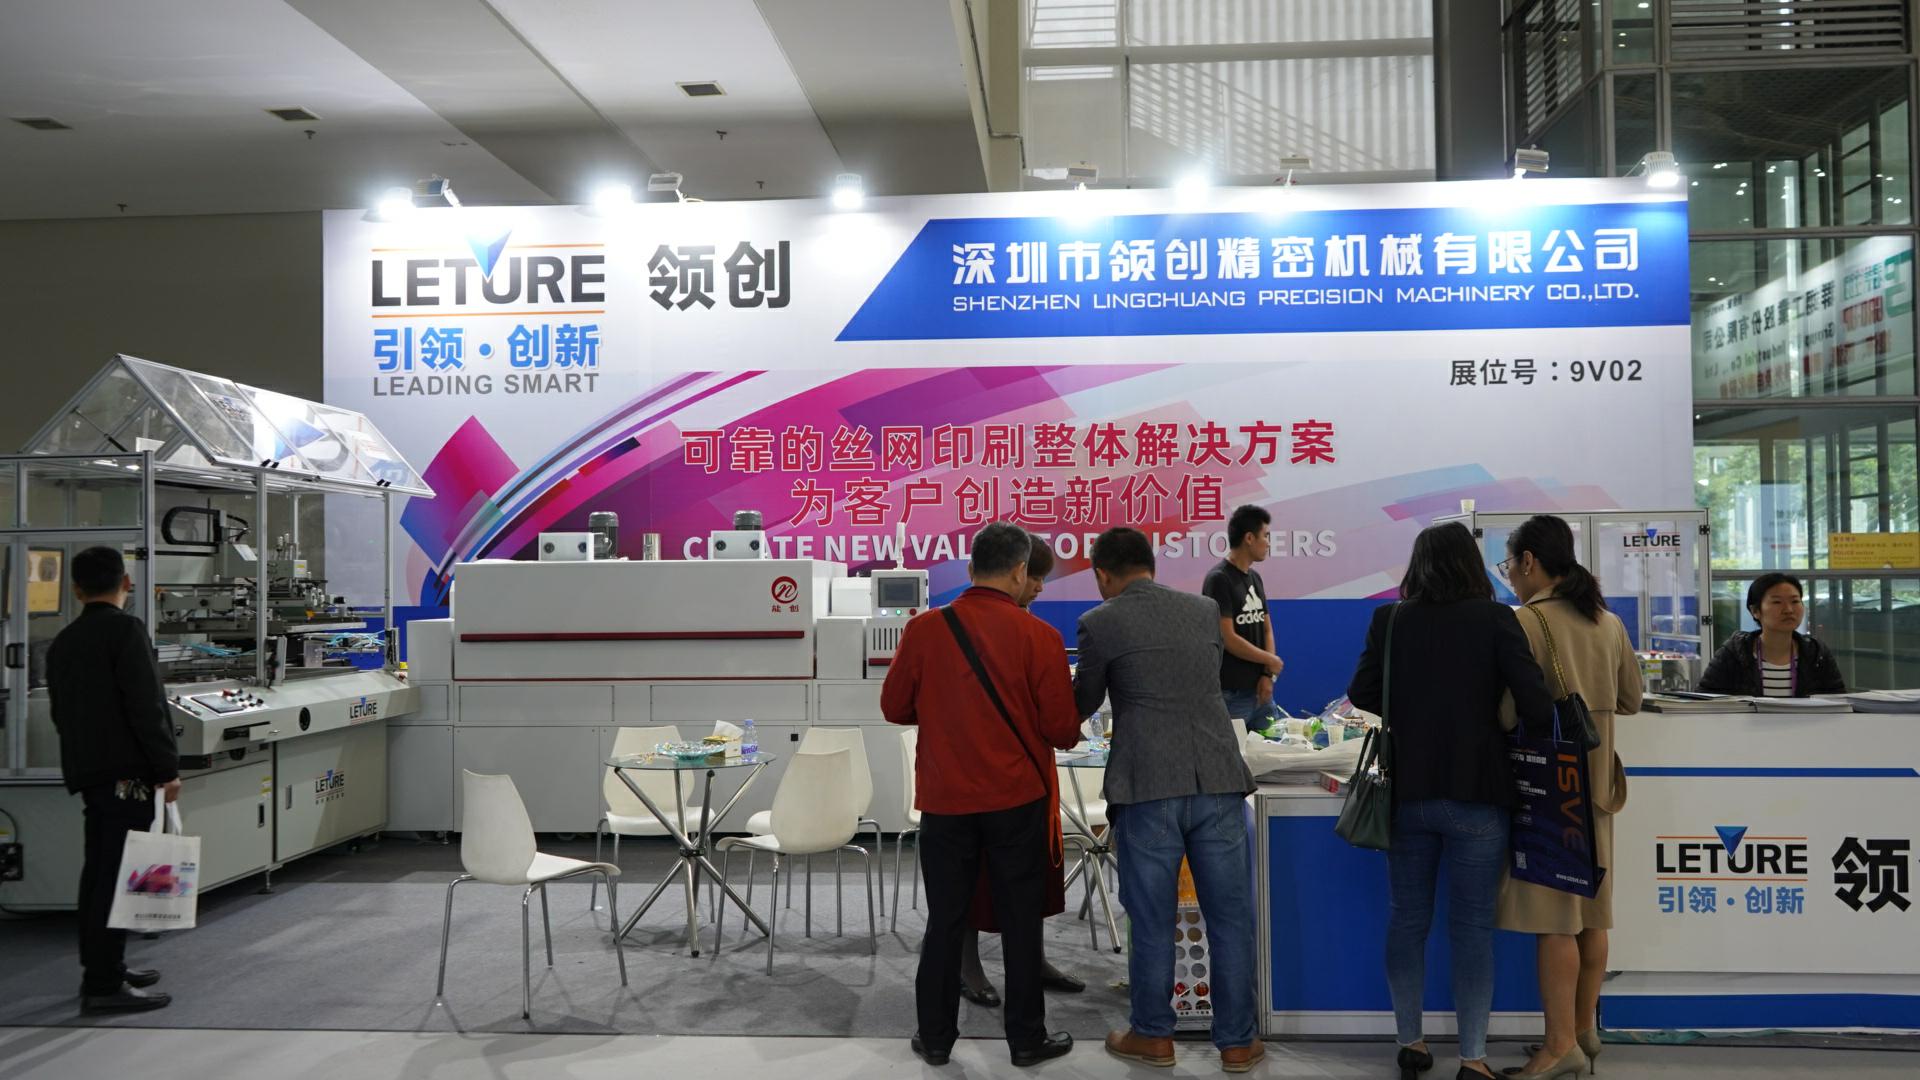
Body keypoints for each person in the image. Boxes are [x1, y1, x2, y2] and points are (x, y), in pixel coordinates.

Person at [1346, 522, 1555, 1080]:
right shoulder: (1497, 620)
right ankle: (1473, 1057)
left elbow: (1362, 692)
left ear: (1418, 565)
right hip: (1479, 793)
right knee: (1472, 929)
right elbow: (1536, 705)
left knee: (1407, 919)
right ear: (1471, 564)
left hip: (1407, 791)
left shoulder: (1390, 620)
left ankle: (1411, 1042)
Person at [881, 522, 1081, 1068]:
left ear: (971, 569)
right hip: (1017, 799)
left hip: (945, 801)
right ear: (1020, 572)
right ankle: (1026, 1040)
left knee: (946, 918)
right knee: (1020, 919)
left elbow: (894, 707)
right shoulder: (1040, 637)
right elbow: (1062, 730)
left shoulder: (924, 629)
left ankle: (935, 1038)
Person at [1074, 527, 1264, 1074]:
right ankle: (1237, 1043)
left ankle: (1153, 1036)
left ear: (1102, 574)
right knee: (1229, 917)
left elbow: (1083, 703)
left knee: (1152, 918)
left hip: (1147, 786)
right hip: (1218, 779)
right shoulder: (1204, 611)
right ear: (1151, 565)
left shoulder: (1099, 622)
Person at [1496, 515, 1644, 1080]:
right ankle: (1584, 1031)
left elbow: (1506, 712)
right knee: (1592, 915)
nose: (1512, 577)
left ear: (1529, 561)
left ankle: (1558, 1047)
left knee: (1555, 918)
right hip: (1599, 783)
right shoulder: (1608, 621)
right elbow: (1631, 699)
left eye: (1511, 566)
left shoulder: (1527, 621)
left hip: (1549, 786)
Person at [47, 545, 179, 1014]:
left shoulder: (65, 640)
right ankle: (102, 984)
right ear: (126, 582)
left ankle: (107, 966)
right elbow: (147, 706)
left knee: (100, 871)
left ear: (76, 589)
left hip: (91, 773)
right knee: (118, 875)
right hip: (128, 776)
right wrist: (166, 768)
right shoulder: (126, 630)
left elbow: (61, 713)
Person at [959, 539, 1085, 1007]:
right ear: (1016, 571)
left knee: (1028, 879)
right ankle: (969, 967)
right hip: (989, 777)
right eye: (1034, 577)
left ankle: (1031, 961)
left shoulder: (1033, 630)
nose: (1038, 587)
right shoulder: (963, 628)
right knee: (975, 877)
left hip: (1022, 776)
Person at [1696, 572, 1845, 697]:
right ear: (1755, 611)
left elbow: (1839, 701)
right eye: (1777, 602)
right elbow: (1704, 700)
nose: (1788, 610)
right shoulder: (1734, 653)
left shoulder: (1816, 653)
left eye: (1795, 601)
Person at [1203, 504, 1284, 722]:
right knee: (1234, 745)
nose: (1268, 543)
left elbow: (1267, 629)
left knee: (1273, 742)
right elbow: (1227, 637)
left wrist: (1267, 673)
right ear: (1249, 538)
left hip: (1261, 691)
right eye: (1265, 536)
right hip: (1232, 694)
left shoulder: (1255, 578)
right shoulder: (1219, 579)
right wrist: (1270, 659)